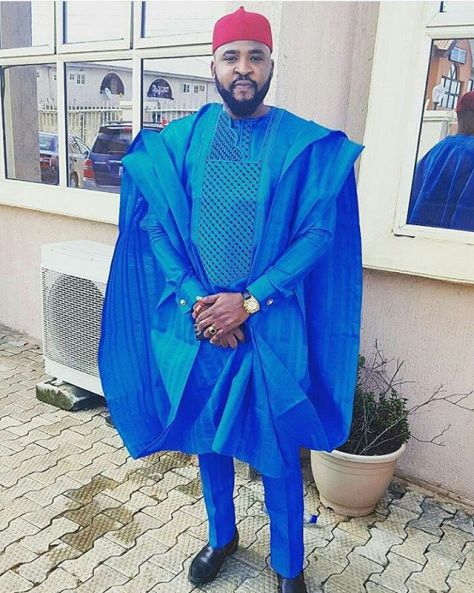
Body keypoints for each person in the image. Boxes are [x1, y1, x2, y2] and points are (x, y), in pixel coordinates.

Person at [98, 6, 365, 593]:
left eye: (255, 56)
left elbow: (317, 234)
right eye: (231, 57)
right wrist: (200, 302)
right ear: (213, 66)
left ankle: (289, 564)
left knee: (276, 447)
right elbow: (157, 225)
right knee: (207, 437)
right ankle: (221, 537)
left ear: (271, 64)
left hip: (270, 325)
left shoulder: (301, 144)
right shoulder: (184, 141)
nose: (243, 68)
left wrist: (248, 301)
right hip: (203, 326)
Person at [407, 90, 474, 231]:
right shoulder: (470, 151)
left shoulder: (436, 151)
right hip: (450, 241)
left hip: (417, 236)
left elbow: (410, 197)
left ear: (458, 115)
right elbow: (466, 216)